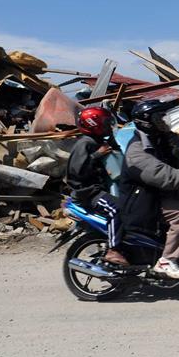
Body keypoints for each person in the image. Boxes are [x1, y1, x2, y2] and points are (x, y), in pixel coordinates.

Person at [118, 99, 179, 280]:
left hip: (155, 196)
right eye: (159, 118)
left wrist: (174, 143)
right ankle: (166, 260)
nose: (163, 121)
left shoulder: (158, 141)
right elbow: (160, 173)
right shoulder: (137, 150)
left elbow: (177, 162)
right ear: (147, 122)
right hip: (141, 202)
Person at [66, 106, 128, 266]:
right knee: (117, 209)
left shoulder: (99, 141)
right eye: (106, 123)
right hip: (88, 193)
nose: (109, 125)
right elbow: (77, 172)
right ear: (94, 124)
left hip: (98, 189)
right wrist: (96, 155)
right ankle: (114, 250)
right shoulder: (85, 144)